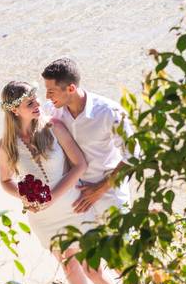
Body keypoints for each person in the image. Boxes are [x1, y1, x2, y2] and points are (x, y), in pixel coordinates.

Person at [0, 81, 117, 284]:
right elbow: (5, 180)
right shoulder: (6, 145)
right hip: (43, 218)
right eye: (30, 102)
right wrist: (23, 196)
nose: (38, 103)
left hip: (74, 207)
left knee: (93, 268)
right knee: (70, 267)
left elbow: (79, 164)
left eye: (36, 97)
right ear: (14, 110)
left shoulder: (53, 127)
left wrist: (51, 196)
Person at [40, 58, 132, 219]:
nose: (47, 96)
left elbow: (134, 155)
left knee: (122, 243)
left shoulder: (109, 112)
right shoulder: (51, 110)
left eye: (51, 91)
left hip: (109, 193)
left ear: (71, 88)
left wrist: (101, 188)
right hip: (72, 194)